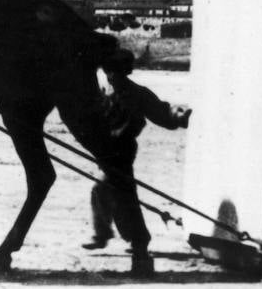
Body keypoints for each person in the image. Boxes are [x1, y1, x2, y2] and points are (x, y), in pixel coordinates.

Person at [81, 48, 191, 276]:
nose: (112, 76)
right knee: (104, 191)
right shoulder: (107, 91)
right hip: (107, 152)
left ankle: (138, 244)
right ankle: (106, 235)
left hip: (122, 150)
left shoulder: (137, 93)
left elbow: (157, 113)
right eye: (108, 71)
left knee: (118, 195)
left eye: (116, 72)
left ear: (126, 71)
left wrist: (179, 117)